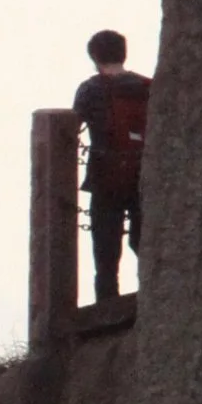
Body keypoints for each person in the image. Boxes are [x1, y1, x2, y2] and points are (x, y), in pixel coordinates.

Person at [72, 30, 150, 303]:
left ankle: (107, 306)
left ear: (94, 57)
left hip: (105, 178)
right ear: (123, 53)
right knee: (145, 242)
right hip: (144, 176)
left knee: (106, 252)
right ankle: (151, 301)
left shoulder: (91, 89)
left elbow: (70, 128)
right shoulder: (147, 87)